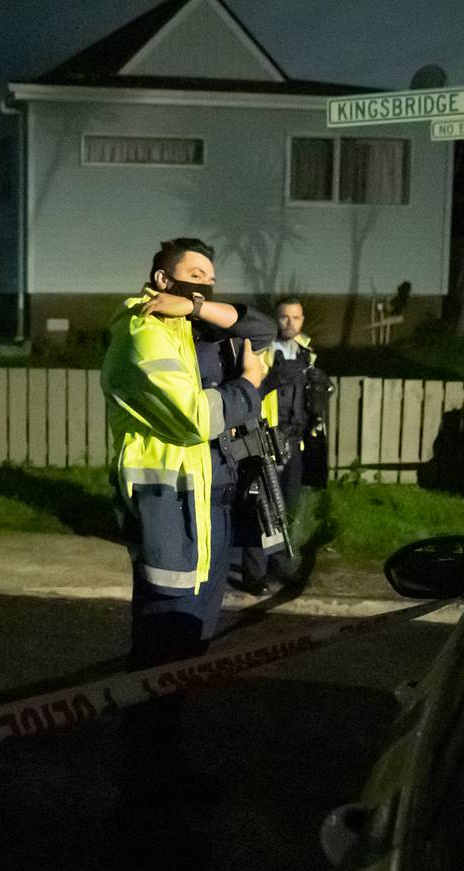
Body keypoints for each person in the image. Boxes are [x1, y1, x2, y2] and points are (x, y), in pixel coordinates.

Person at [102, 237, 275, 669]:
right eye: (195, 276)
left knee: (194, 642)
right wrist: (248, 387)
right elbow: (194, 418)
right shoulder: (143, 331)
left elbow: (263, 329)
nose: (205, 286)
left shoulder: (199, 330)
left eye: (211, 280)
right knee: (164, 641)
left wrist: (196, 307)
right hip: (173, 509)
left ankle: (167, 709)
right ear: (163, 279)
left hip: (217, 506)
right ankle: (148, 714)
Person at [233, 297, 318, 595]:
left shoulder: (308, 354)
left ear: (302, 319)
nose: (290, 323)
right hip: (266, 438)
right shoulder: (261, 349)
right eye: (284, 317)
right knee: (261, 507)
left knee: (288, 508)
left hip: (294, 442)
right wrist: (269, 381)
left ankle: (280, 565)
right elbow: (248, 389)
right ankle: (254, 574)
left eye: (296, 317)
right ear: (276, 319)